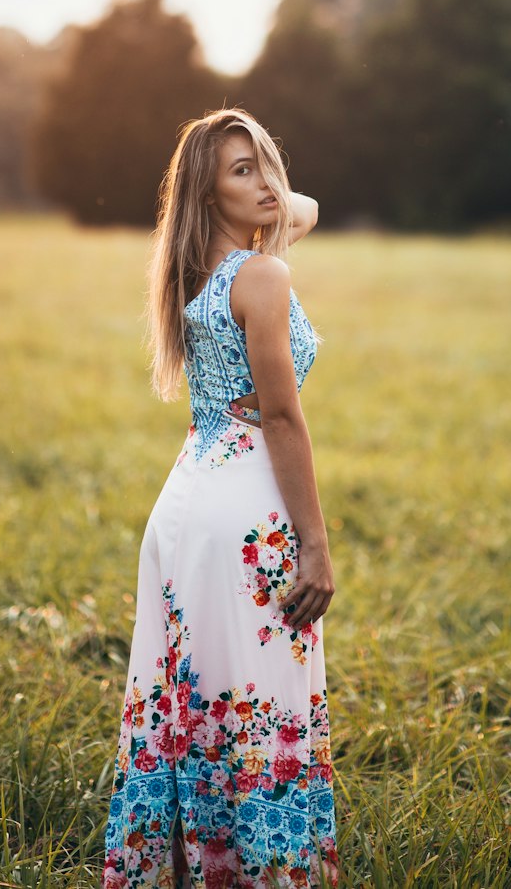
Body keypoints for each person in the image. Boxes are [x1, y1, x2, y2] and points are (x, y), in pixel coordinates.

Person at [102, 107, 339, 889]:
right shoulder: (264, 276)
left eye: (269, 163)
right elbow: (279, 414)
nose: (269, 183)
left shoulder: (193, 269)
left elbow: (299, 208)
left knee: (188, 719)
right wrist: (315, 543)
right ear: (207, 190)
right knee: (253, 716)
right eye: (242, 170)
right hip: (244, 513)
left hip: (182, 510)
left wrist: (262, 183)